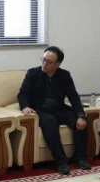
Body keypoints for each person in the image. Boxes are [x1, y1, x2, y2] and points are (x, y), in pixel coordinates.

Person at [18, 46, 90, 175]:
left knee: (80, 120)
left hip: (58, 109)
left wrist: (80, 115)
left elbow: (73, 97)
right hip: (40, 110)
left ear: (57, 64)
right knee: (50, 122)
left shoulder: (65, 75)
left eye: (49, 62)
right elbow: (22, 94)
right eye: (43, 59)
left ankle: (80, 158)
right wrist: (25, 106)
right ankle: (61, 162)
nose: (45, 63)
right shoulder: (32, 73)